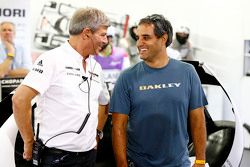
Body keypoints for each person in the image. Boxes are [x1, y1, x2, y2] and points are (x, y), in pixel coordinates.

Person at [12, 7, 110, 167]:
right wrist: (28, 141)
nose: (106, 41)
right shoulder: (52, 59)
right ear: (86, 33)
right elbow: (20, 100)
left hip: (89, 154)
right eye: (103, 34)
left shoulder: (96, 66)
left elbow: (104, 103)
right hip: (56, 157)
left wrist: (97, 134)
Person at [110, 14, 208, 167]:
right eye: (138, 37)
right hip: (138, 162)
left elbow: (198, 119)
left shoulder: (187, 72)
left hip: (178, 163)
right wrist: (122, 165)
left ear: (163, 38)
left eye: (146, 37)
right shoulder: (127, 77)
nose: (139, 43)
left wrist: (200, 160)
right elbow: (118, 127)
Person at [94, 26, 130, 94]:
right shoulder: (92, 55)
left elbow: (127, 80)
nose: (102, 40)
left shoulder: (121, 54)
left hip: (116, 95)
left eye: (106, 37)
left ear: (110, 38)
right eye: (100, 37)